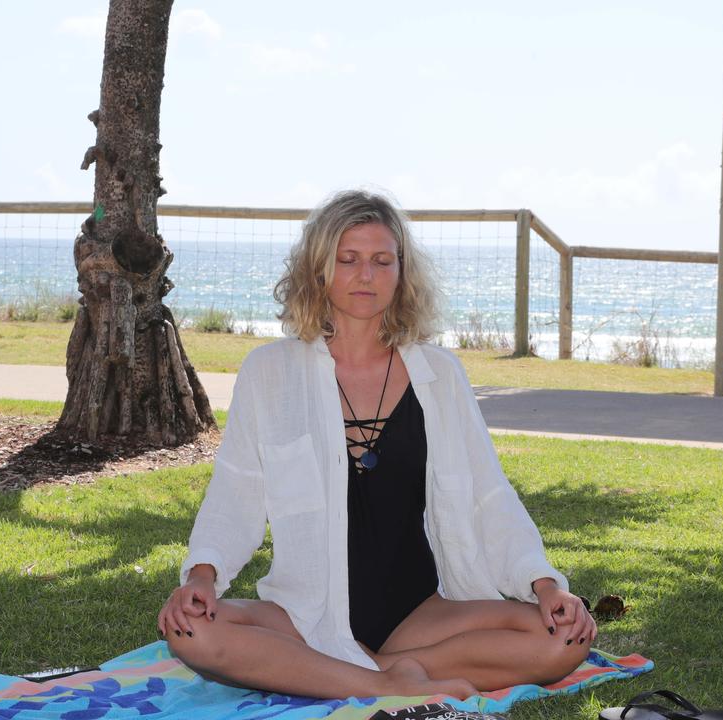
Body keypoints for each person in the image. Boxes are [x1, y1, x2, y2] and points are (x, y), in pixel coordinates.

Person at [158, 189, 597, 700]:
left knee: (564, 638)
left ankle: (370, 670)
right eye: (347, 260)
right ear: (319, 270)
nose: (365, 275)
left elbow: (488, 495)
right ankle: (388, 683)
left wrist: (545, 585)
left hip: (420, 615)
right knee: (190, 629)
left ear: (401, 272)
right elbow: (236, 494)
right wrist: (203, 576)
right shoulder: (270, 372)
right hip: (303, 614)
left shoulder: (439, 374)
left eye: (381, 261)